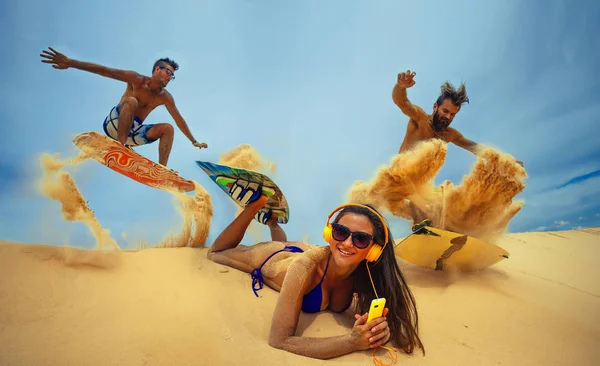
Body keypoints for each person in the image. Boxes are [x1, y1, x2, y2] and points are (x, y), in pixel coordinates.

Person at [207, 189, 425, 360]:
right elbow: (279, 341)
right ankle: (257, 204)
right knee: (217, 254)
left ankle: (272, 221)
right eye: (340, 232)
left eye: (360, 239)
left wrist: (378, 331)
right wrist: (351, 341)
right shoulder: (303, 269)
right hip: (275, 258)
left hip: (306, 249)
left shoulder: (365, 274)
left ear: (373, 249)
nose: (347, 243)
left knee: (284, 240)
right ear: (329, 234)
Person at [39, 47, 208, 167]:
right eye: (169, 72)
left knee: (168, 128)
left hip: (133, 133)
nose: (170, 77)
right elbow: (104, 70)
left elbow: (179, 120)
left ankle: (161, 171)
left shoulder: (166, 97)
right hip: (115, 123)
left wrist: (194, 141)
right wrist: (70, 62)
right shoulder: (136, 79)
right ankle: (119, 148)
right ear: (157, 69)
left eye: (173, 75)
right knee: (132, 101)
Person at [392, 70, 524, 166]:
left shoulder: (450, 135)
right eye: (445, 111)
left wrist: (507, 161)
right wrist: (401, 86)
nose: (448, 117)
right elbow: (402, 102)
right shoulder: (419, 118)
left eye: (452, 114)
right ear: (435, 107)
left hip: (419, 187)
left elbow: (475, 147)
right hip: (397, 177)